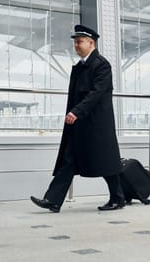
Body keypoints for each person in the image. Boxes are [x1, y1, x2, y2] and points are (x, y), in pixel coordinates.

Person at [31, 24, 125, 212]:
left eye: (79, 42)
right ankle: (53, 200)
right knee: (69, 160)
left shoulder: (101, 64)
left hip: (96, 124)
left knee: (106, 161)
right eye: (75, 42)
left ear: (91, 43)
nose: (76, 45)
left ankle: (118, 197)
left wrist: (76, 111)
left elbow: (97, 93)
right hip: (80, 123)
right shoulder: (81, 66)